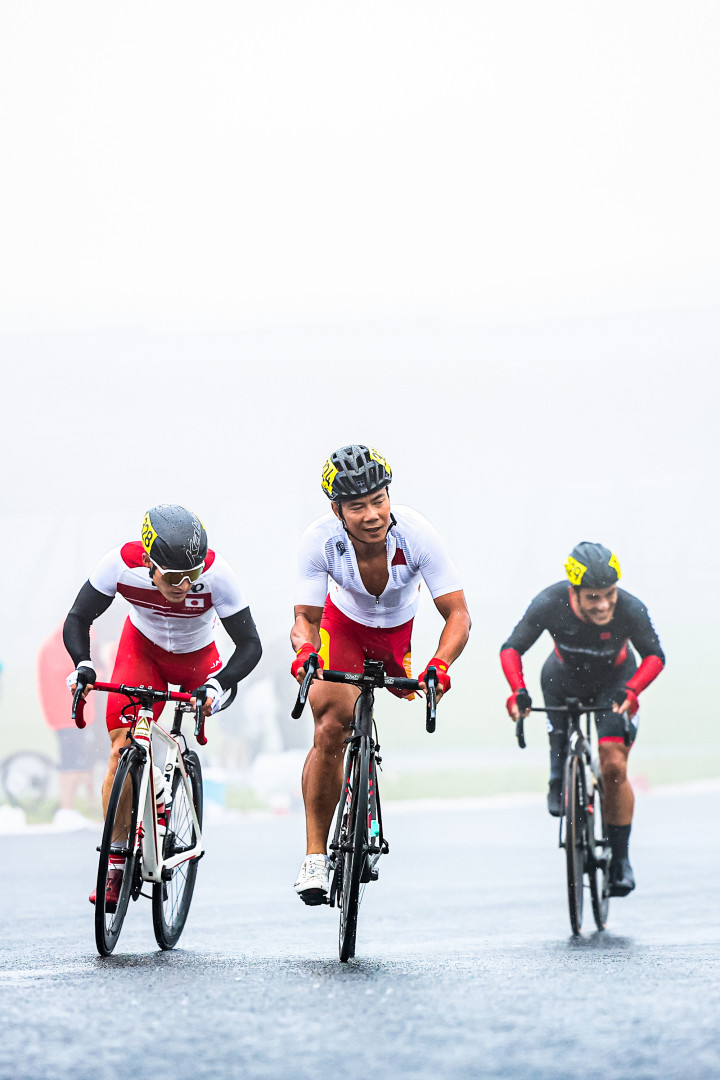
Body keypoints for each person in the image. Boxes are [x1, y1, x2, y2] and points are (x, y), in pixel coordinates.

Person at [290, 445, 471, 904]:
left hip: (396, 637)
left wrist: (440, 665)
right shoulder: (319, 539)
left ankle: (365, 778)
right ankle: (314, 856)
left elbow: (458, 615)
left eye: (379, 500)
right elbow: (305, 618)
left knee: (382, 700)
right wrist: (306, 652)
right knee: (331, 725)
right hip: (342, 628)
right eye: (357, 506)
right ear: (337, 510)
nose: (371, 514)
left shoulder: (416, 533)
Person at [64, 504, 262, 907]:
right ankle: (117, 862)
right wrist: (82, 663)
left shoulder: (218, 574)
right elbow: (78, 617)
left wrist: (217, 685)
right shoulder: (120, 564)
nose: (185, 586)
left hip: (197, 658)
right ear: (149, 562)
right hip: (143, 653)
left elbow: (250, 646)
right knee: (122, 750)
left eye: (192, 577)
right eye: (173, 577)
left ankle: (176, 792)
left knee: (202, 704)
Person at [500, 541, 665, 897]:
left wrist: (633, 690)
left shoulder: (631, 608)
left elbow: (655, 656)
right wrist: (518, 691)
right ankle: (558, 775)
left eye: (609, 594)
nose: (604, 604)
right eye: (593, 598)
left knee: (613, 766)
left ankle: (620, 859)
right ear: (574, 593)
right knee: (559, 742)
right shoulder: (549, 602)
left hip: (615, 684)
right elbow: (511, 648)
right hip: (562, 678)